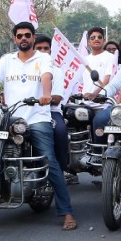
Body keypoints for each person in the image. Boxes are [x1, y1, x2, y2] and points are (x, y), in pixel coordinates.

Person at [0, 22, 77, 230]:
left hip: (37, 117)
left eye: (27, 35)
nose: (23, 38)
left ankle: (66, 211)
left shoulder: (43, 58)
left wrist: (46, 94)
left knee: (49, 160)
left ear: (33, 37)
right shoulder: (7, 60)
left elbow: (46, 77)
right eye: (19, 36)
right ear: (14, 39)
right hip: (11, 117)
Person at [33, 35, 73, 181]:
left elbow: (56, 99)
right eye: (39, 48)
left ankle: (60, 171)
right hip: (25, 112)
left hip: (51, 112)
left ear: (51, 50)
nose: (43, 51)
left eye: (46, 48)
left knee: (60, 131)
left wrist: (45, 99)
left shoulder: (56, 71)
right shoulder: (24, 69)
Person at [80, 27, 114, 94]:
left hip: (103, 102)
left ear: (104, 40)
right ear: (89, 42)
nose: (96, 39)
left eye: (99, 37)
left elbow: (108, 79)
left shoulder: (110, 57)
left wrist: (94, 94)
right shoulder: (85, 60)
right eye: (93, 37)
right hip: (85, 101)